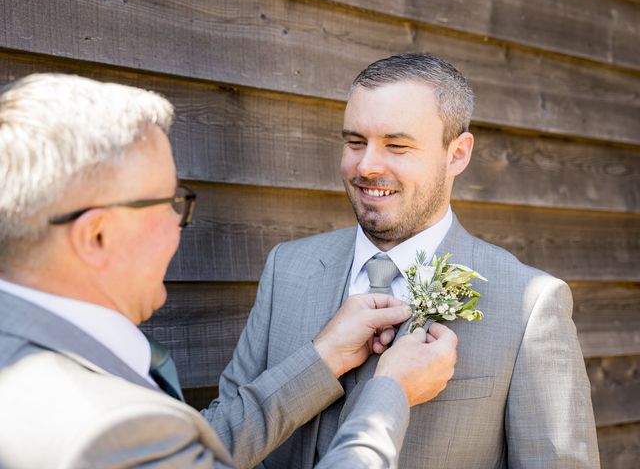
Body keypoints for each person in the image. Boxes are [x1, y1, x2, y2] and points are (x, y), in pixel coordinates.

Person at [0, 73, 458, 469]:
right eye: (168, 202)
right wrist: (390, 394)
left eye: (396, 145)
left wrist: (323, 359)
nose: (179, 222)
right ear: (96, 235)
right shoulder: (112, 427)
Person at [211, 53, 601, 468]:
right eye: (354, 142)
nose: (366, 166)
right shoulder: (287, 268)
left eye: (397, 145)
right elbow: (213, 446)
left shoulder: (530, 305)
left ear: (457, 154)